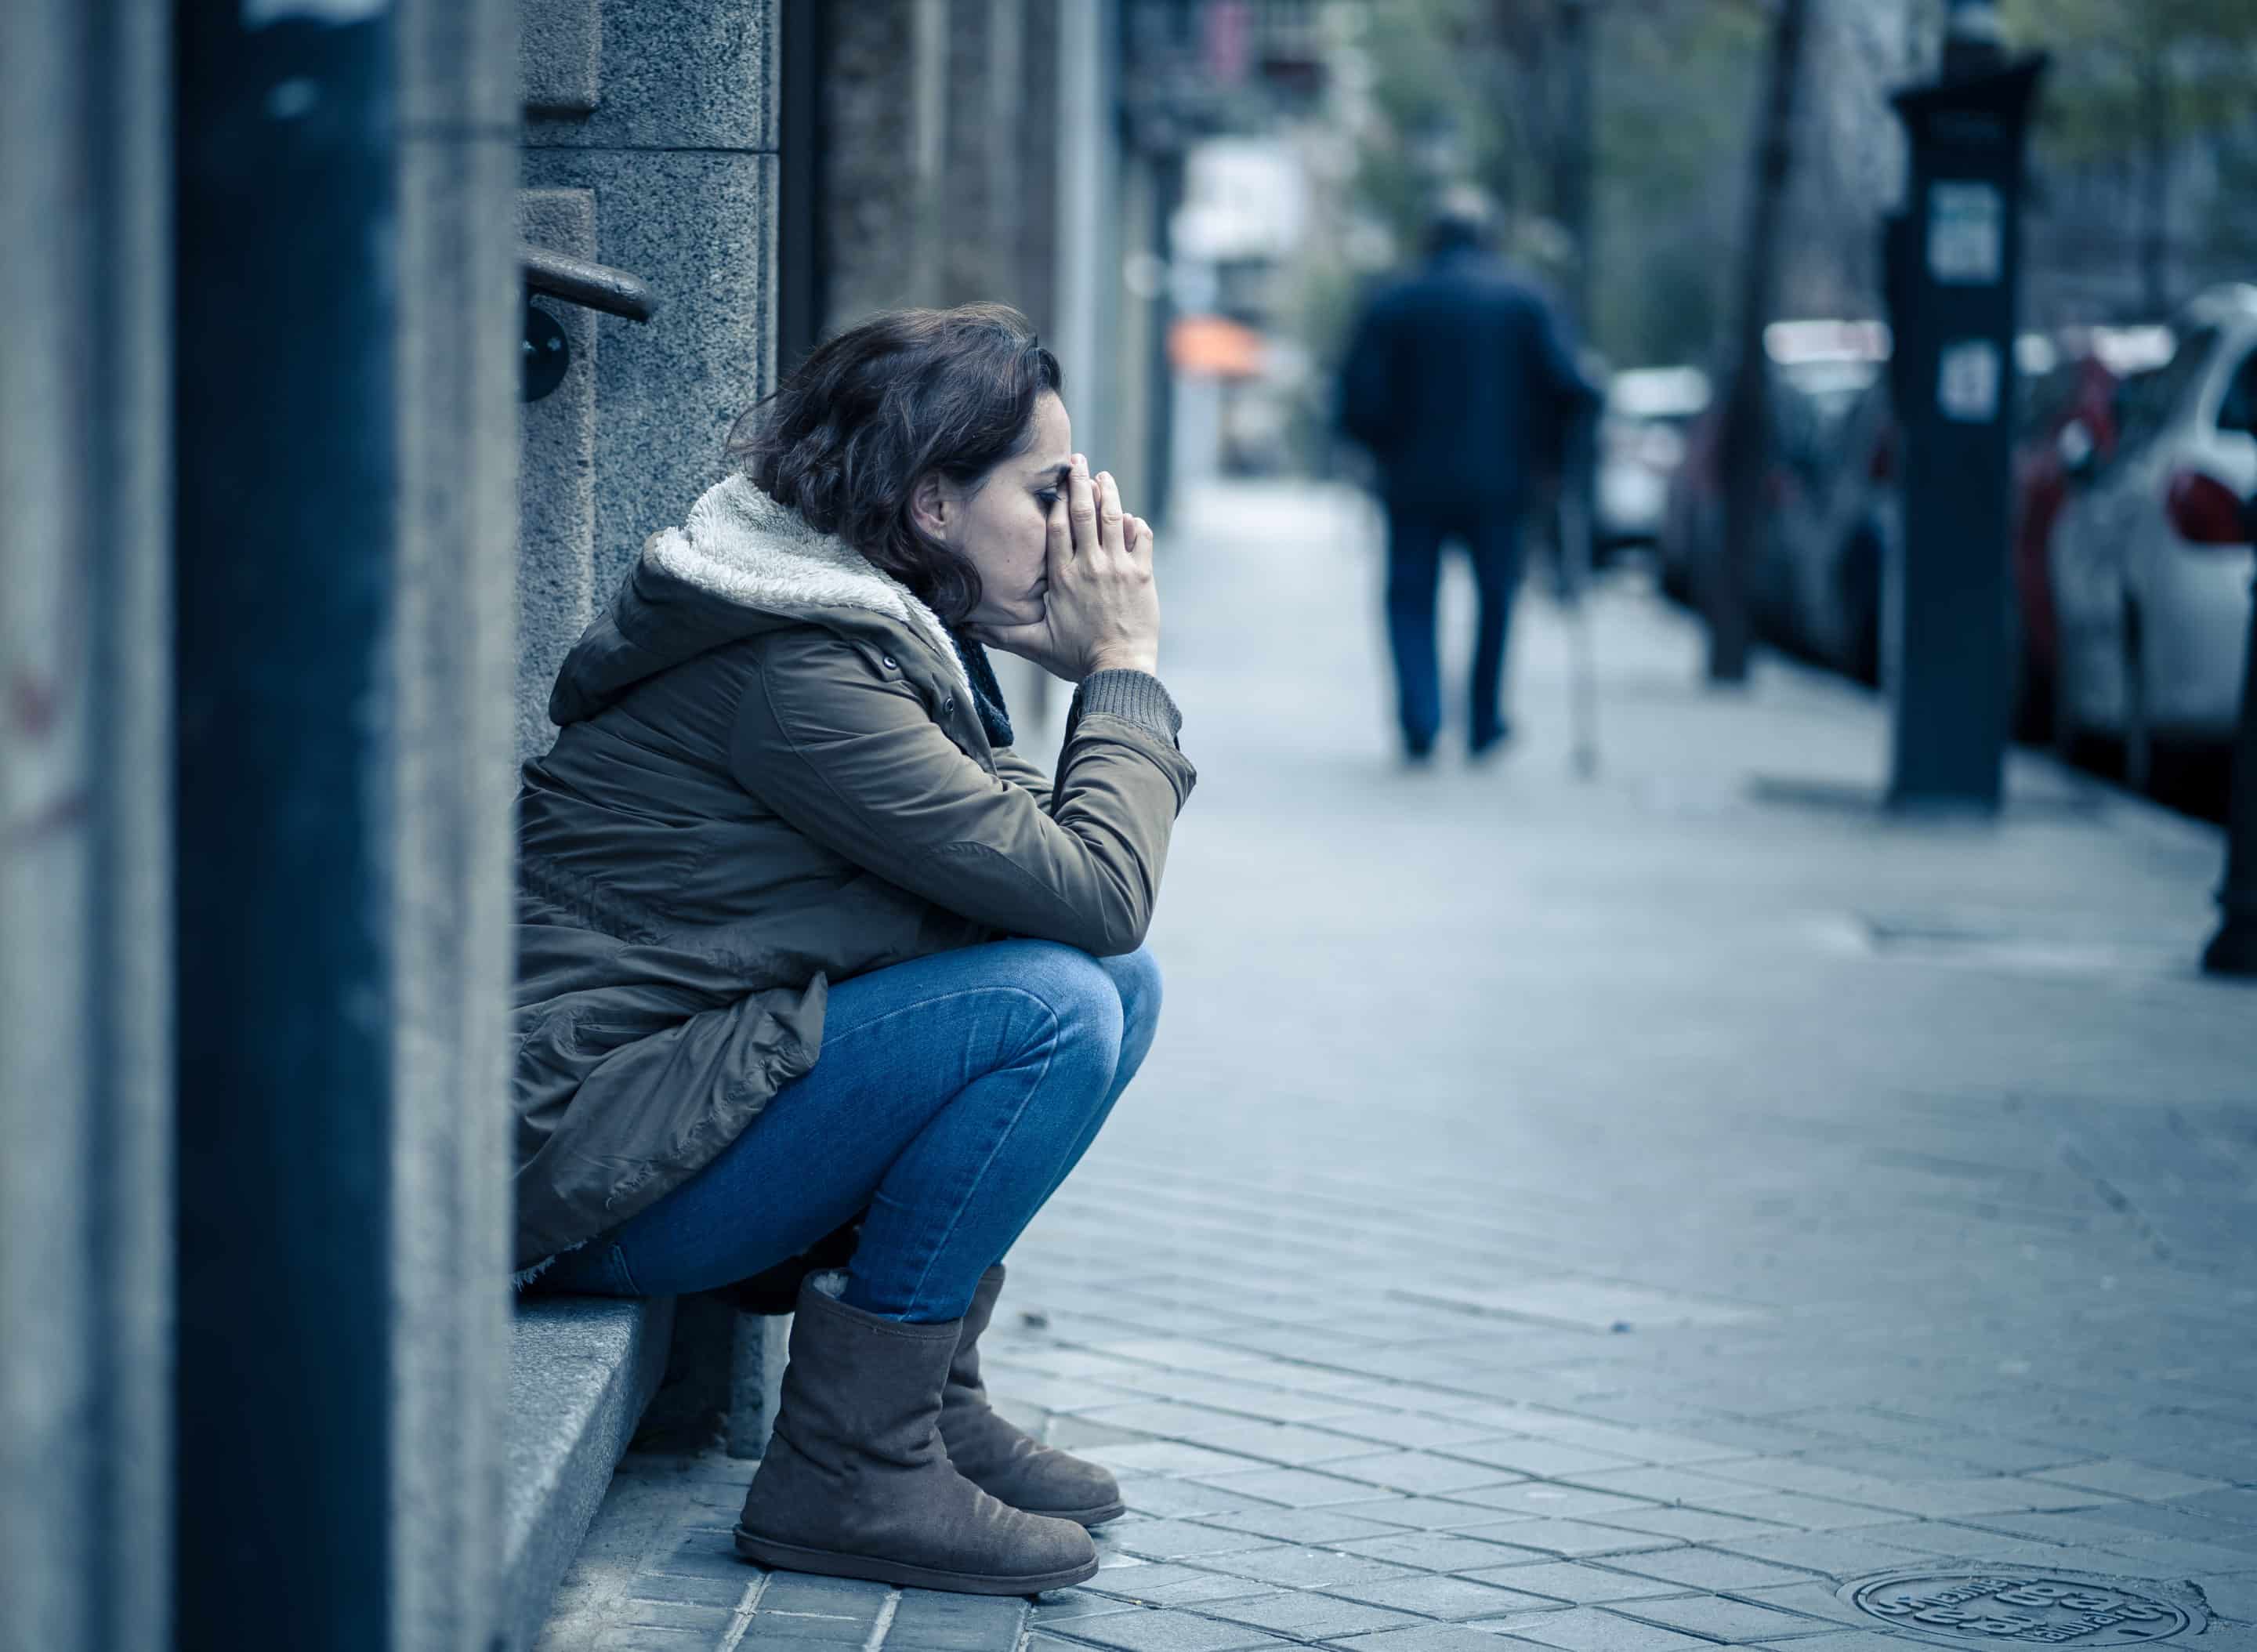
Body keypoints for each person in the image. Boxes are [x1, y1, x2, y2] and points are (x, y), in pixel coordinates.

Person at [510, 305, 1194, 1596]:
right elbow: (1099, 886)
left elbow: (1046, 883)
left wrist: (1054, 665)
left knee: (1109, 985)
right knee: (1053, 1002)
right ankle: (848, 1461)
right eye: (1047, 491)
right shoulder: (803, 677)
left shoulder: (854, 634)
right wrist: (1125, 666)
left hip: (661, 1096)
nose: (1077, 523)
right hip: (579, 1156)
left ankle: (921, 1398)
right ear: (936, 504)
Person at [1338, 197, 1599, 762]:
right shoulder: (1528, 300)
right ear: (1490, 239)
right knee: (1497, 599)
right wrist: (1554, 458)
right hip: (1503, 483)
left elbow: (1358, 396)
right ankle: (1484, 721)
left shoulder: (1397, 300)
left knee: (1410, 598)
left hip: (1413, 481)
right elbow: (1573, 388)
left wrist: (1381, 449)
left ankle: (1421, 718)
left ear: (1430, 238)